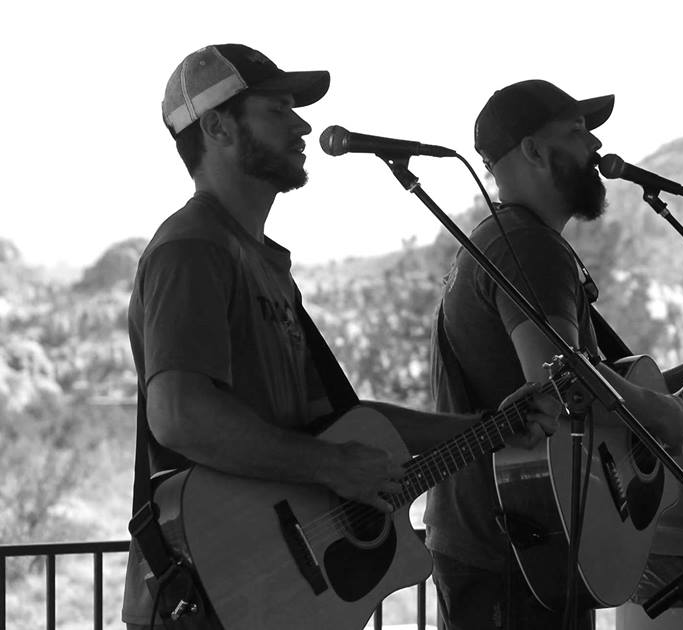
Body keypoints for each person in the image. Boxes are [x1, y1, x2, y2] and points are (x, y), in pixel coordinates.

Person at [121, 46, 559, 630]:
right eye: (277, 109)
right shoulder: (192, 248)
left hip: (268, 596)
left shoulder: (262, 264)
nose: (302, 125)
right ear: (218, 127)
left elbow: (341, 421)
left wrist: (488, 428)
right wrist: (330, 466)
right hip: (209, 598)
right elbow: (180, 417)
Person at [425, 80, 683, 630]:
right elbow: (561, 383)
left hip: (519, 542)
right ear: (534, 151)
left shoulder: (504, 239)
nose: (595, 146)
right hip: (516, 549)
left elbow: (604, 396)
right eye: (577, 132)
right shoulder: (528, 246)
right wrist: (660, 414)